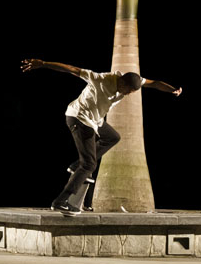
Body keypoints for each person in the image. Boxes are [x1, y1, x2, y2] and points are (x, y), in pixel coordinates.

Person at [19, 58, 182, 215]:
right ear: (122, 83)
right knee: (89, 165)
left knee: (113, 137)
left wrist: (172, 89)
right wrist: (43, 64)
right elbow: (71, 69)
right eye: (128, 91)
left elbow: (154, 83)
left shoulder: (132, 80)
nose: (129, 94)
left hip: (95, 120)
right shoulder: (100, 79)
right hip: (79, 118)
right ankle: (61, 201)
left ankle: (77, 165)